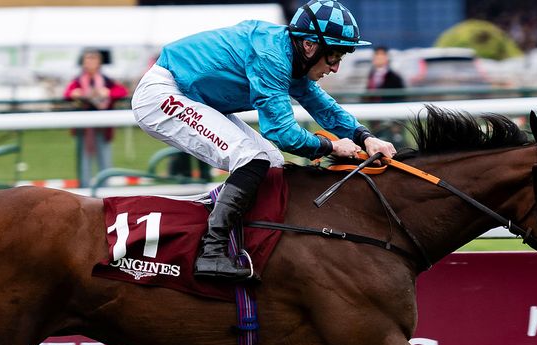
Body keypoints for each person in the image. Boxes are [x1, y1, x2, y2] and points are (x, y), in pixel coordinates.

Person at [132, 0, 397, 281]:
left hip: (192, 96)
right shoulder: (271, 56)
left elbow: (323, 106)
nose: (335, 68)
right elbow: (282, 133)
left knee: (271, 163)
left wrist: (364, 136)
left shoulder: (293, 55)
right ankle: (211, 252)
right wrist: (330, 146)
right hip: (163, 94)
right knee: (251, 157)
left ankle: (245, 238)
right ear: (310, 45)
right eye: (334, 56)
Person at [63, 48, 129, 186]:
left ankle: (105, 191)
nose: (91, 62)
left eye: (94, 59)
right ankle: (85, 189)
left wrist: (108, 93)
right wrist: (74, 93)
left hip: (103, 128)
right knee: (84, 160)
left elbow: (122, 91)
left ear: (99, 62)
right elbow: (67, 93)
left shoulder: (106, 80)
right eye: (88, 59)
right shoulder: (78, 80)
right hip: (84, 129)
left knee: (105, 159)